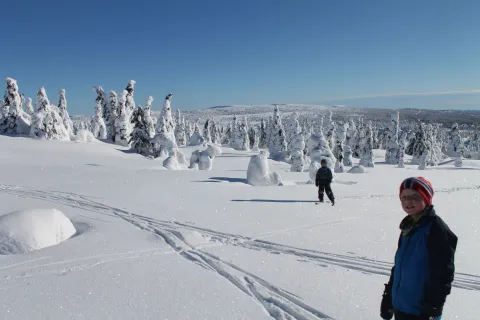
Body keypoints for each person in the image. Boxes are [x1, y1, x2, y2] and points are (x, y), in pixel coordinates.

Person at [380, 177, 458, 320]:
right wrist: (389, 296)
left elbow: (444, 272)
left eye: (414, 196)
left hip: (421, 311)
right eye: (403, 197)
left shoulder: (435, 228)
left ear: (426, 198)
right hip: (401, 306)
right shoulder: (407, 227)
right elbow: (399, 267)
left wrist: (434, 305)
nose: (408, 202)